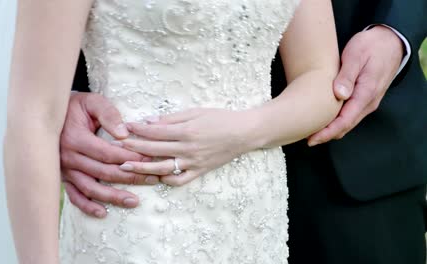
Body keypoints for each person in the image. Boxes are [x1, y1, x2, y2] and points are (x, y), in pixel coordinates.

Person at [62, 0, 427, 264]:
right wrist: (59, 98)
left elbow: (319, 73)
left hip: (350, 150)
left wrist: (393, 32)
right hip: (140, 186)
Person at [2, 0, 344, 263]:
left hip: (252, 217)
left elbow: (320, 77)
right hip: (134, 215)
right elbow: (35, 115)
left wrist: (245, 131)